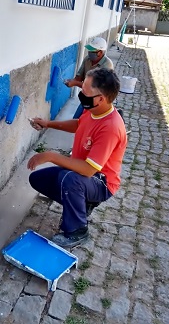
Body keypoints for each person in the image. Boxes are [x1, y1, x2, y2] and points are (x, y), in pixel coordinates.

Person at [27, 68, 127, 248]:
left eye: (86, 92)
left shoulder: (111, 127)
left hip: (101, 182)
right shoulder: (93, 110)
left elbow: (89, 170)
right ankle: (82, 205)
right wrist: (48, 124)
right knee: (38, 179)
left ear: (101, 99)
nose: (81, 94)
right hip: (84, 173)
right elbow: (78, 124)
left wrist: (50, 156)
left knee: (70, 180)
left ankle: (77, 231)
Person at [64, 37, 114, 119]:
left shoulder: (107, 65)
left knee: (89, 122)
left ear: (100, 52)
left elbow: (96, 88)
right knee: (77, 120)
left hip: (99, 101)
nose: (89, 52)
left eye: (92, 51)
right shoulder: (87, 59)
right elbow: (78, 77)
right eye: (89, 50)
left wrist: (75, 83)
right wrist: (71, 81)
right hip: (87, 97)